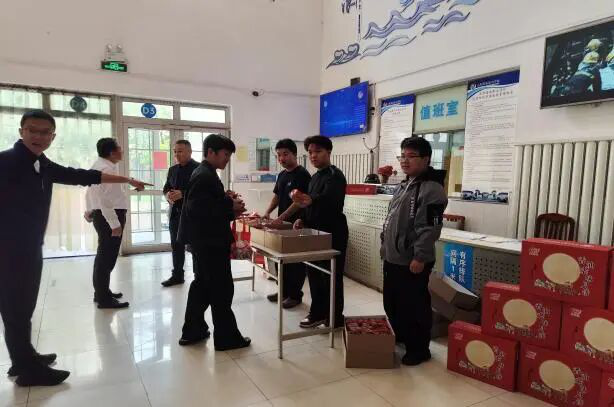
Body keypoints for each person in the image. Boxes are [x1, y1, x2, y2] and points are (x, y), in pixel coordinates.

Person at [0, 110, 149, 386]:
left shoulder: (41, 163)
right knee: (16, 307)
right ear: (21, 131)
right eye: (32, 130)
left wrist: (127, 180)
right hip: (10, 250)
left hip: (28, 246)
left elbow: (80, 176)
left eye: (45, 132)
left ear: (53, 137)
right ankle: (27, 369)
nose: (38, 136)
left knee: (21, 306)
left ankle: (23, 358)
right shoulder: (6, 161)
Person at [177, 134, 251, 351]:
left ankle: (193, 330)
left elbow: (207, 203)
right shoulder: (204, 176)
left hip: (204, 242)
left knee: (202, 286)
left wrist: (225, 199)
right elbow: (199, 210)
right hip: (209, 243)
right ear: (211, 152)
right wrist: (231, 207)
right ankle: (227, 338)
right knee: (221, 290)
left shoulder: (205, 172)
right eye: (225, 154)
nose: (227, 159)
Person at [380, 137, 448, 366]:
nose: (404, 161)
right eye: (402, 156)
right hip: (393, 256)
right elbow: (391, 220)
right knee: (392, 302)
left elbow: (431, 227)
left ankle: (419, 348)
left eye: (411, 156)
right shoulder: (404, 185)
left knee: (414, 305)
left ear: (426, 159)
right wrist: (385, 245)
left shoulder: (433, 190)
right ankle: (403, 336)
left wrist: (420, 256)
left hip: (413, 260)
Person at [292, 135, 348, 329]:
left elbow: (330, 202)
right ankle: (318, 313)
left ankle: (334, 317)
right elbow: (309, 204)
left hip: (333, 232)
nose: (313, 156)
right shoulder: (315, 177)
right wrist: (302, 218)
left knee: (332, 275)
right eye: (310, 152)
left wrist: (311, 200)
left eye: (318, 151)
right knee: (315, 273)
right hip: (314, 231)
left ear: (328, 152)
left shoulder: (335, 175)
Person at [262, 139, 311, 309]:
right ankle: (283, 291)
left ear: (294, 154)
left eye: (285, 154)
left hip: (297, 224)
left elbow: (298, 202)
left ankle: (295, 295)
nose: (281, 158)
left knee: (295, 262)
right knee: (280, 259)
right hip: (282, 224)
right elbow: (277, 196)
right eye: (279, 155)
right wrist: (268, 211)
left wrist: (281, 217)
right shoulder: (282, 175)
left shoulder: (302, 174)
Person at [84, 138, 132, 309]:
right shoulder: (106, 169)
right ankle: (104, 299)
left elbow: (92, 193)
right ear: (112, 152)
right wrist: (114, 223)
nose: (122, 150)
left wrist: (90, 209)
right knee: (107, 258)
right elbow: (104, 200)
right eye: (119, 148)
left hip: (103, 215)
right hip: (109, 216)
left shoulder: (101, 165)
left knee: (103, 256)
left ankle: (101, 292)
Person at [161, 140, 199, 287]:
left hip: (192, 215)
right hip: (175, 214)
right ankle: (177, 275)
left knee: (195, 247)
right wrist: (167, 196)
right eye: (175, 151)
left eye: (180, 151)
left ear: (190, 152)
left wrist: (183, 193)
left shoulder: (199, 169)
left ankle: (198, 277)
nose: (177, 154)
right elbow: (166, 188)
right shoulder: (172, 169)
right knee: (176, 247)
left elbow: (202, 191)